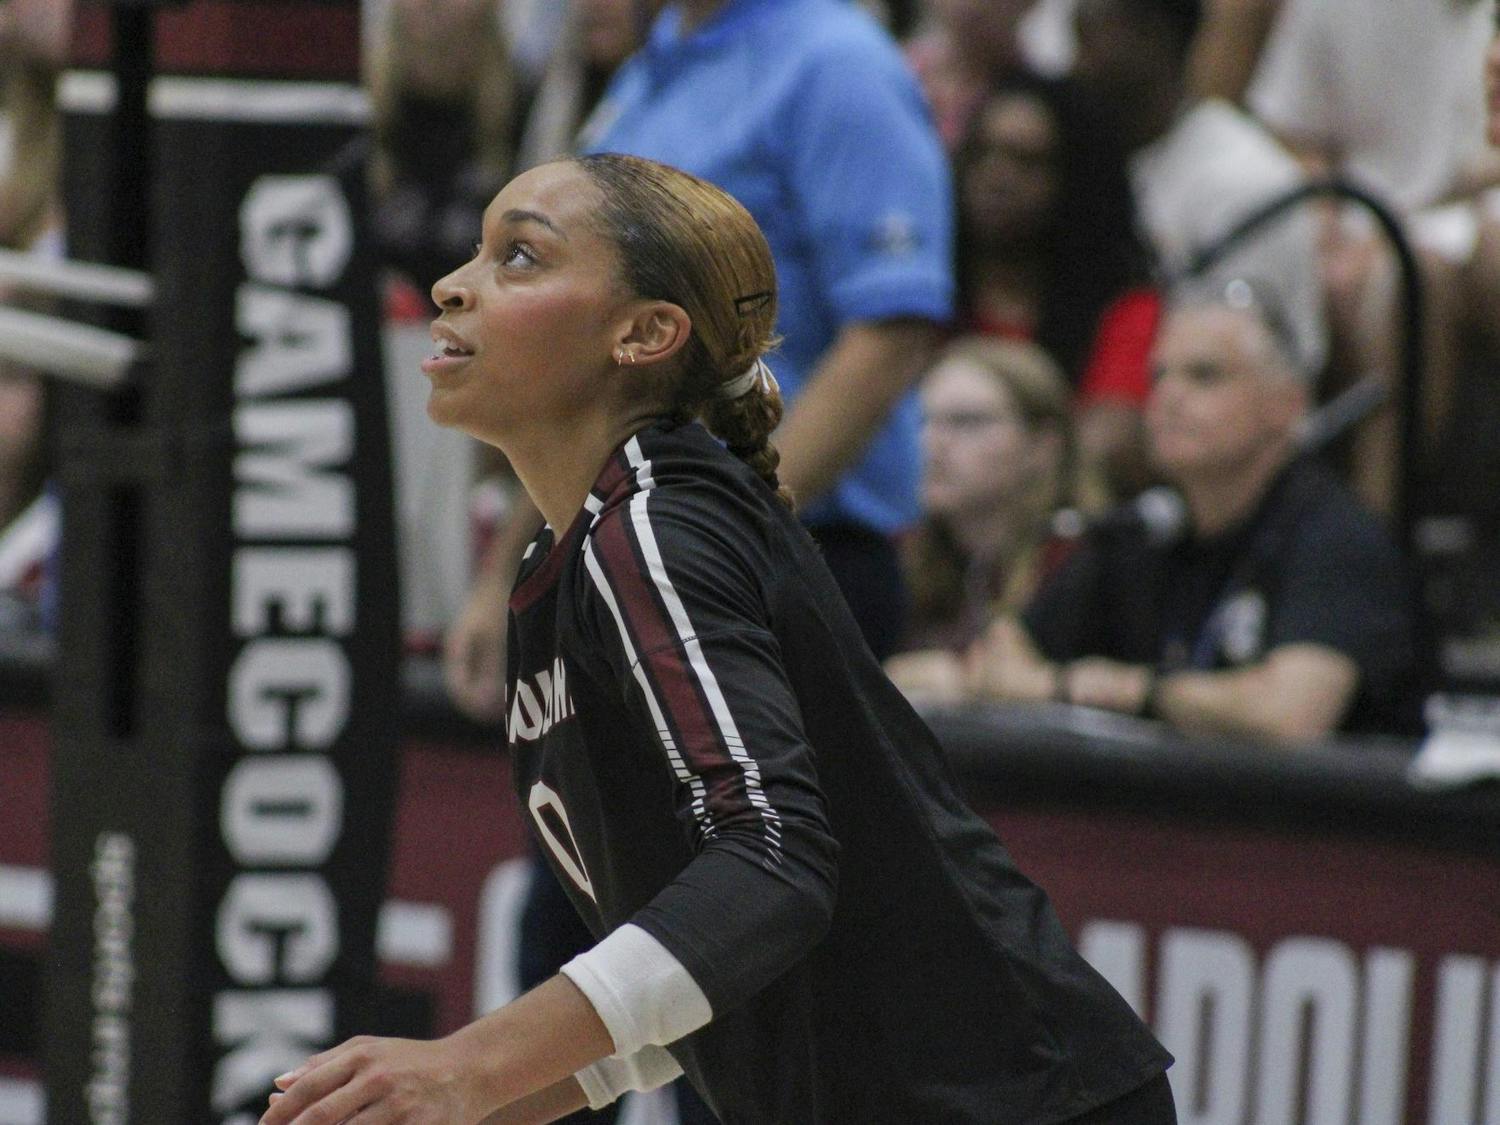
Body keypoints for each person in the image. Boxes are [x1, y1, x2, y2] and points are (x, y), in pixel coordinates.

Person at [261, 153, 1174, 1125]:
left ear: (644, 334)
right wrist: (488, 1104)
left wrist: (471, 1067)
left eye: (519, 257)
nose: (454, 284)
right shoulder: (566, 557)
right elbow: (706, 968)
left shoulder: (660, 526)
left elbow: (771, 863)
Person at [970, 280, 1422, 742]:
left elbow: (1290, 714)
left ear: (1287, 406)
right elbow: (999, 655)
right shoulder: (1146, 528)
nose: (1168, 398)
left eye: (1204, 375)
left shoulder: (1333, 536)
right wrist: (1066, 685)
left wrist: (1134, 691)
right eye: (1158, 376)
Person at [1247, 0, 1498, 516]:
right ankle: (1378, 532)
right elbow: (1291, 127)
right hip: (1381, 222)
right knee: (1406, 286)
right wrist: (1328, 230)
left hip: (1482, 216)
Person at [1070, 0, 1326, 400]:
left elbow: (1240, 371)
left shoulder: (1245, 178)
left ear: (1150, 35)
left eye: (1088, 37)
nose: (1073, 64)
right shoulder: (1082, 155)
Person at [952, 70, 1160, 490]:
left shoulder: (1125, 309)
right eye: (981, 154)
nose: (996, 176)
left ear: (1077, 179)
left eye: (1025, 161)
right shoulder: (930, 296)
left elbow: (1110, 447)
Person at [884, 336, 1097, 701]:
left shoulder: (1084, 560)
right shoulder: (907, 558)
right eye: (922, 420)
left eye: (967, 422)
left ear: (1043, 446)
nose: (932, 443)